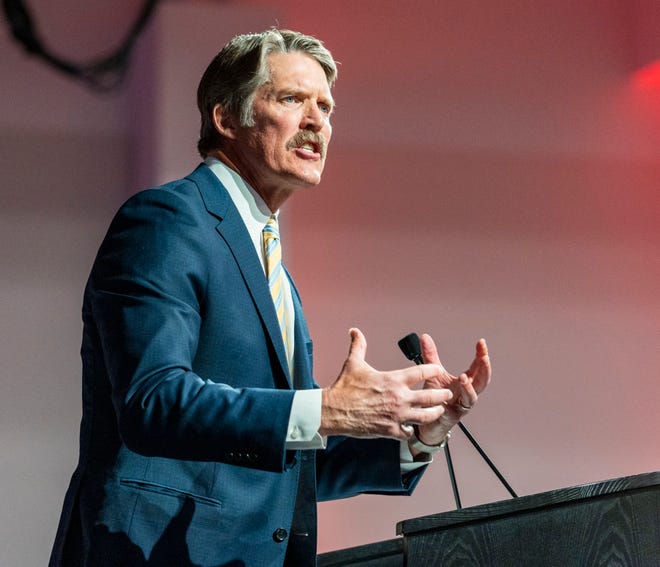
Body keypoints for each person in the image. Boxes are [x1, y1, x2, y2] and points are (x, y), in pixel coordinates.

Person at [49, 28, 490, 567]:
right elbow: (153, 401)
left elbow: (283, 461)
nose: (317, 122)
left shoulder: (272, 267)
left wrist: (415, 436)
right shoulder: (167, 222)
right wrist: (325, 409)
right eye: (291, 99)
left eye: (325, 107)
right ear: (226, 118)